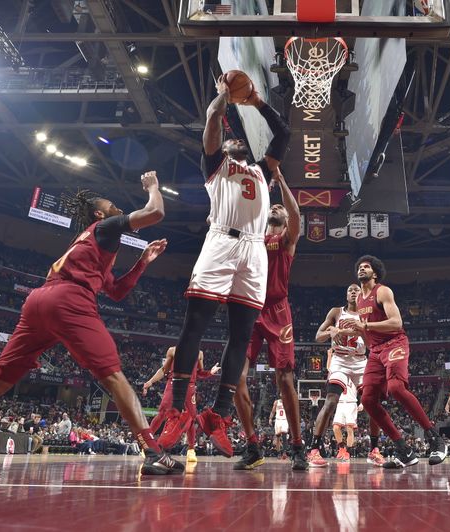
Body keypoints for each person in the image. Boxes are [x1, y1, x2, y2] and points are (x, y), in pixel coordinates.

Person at [0, 172, 181, 475]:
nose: (117, 207)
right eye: (111, 204)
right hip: (69, 300)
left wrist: (143, 262)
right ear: (99, 213)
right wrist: (153, 188)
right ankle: (152, 450)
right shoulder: (105, 227)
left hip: (39, 301)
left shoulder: (88, 245)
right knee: (114, 377)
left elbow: (117, 291)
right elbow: (155, 212)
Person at [159, 74, 291, 457]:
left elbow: (282, 134)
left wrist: (256, 102)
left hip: (254, 251)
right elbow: (213, 125)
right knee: (195, 325)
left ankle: (217, 415)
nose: (236, 141)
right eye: (232, 140)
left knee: (240, 335)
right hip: (221, 240)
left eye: (239, 140)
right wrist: (222, 98)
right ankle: (178, 411)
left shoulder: (262, 172)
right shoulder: (215, 165)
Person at [233, 169, 306, 471]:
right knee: (234, 375)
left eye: (280, 209)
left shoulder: (287, 239)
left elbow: (295, 213)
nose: (276, 207)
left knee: (284, 380)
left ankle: (298, 446)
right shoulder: (253, 238)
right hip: (250, 308)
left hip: (277, 311)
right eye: (272, 207)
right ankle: (252, 445)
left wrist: (281, 177)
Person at [349, 255, 448, 468]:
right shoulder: (358, 300)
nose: (362, 269)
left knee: (395, 387)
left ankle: (435, 438)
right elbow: (367, 334)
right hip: (375, 352)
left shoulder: (382, 291)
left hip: (395, 343)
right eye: (360, 267)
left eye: (366, 267)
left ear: (374, 273)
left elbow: (396, 323)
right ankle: (404, 449)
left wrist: (366, 327)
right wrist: (359, 335)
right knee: (367, 400)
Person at [307, 284, 371, 466]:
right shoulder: (336, 312)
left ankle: (375, 449)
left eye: (356, 290)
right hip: (340, 360)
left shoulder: (367, 315)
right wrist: (330, 331)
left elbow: (371, 343)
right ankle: (314, 450)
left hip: (360, 360)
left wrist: (360, 331)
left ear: (362, 294)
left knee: (372, 402)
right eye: (350, 289)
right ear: (346, 294)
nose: (353, 292)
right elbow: (318, 336)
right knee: (330, 401)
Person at [143, 348, 219, 462]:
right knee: (162, 412)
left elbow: (199, 372)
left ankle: (191, 450)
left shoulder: (199, 353)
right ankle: (147, 445)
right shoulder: (172, 350)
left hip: (190, 385)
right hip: (173, 382)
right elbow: (164, 370)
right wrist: (150, 381)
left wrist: (210, 372)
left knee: (192, 418)